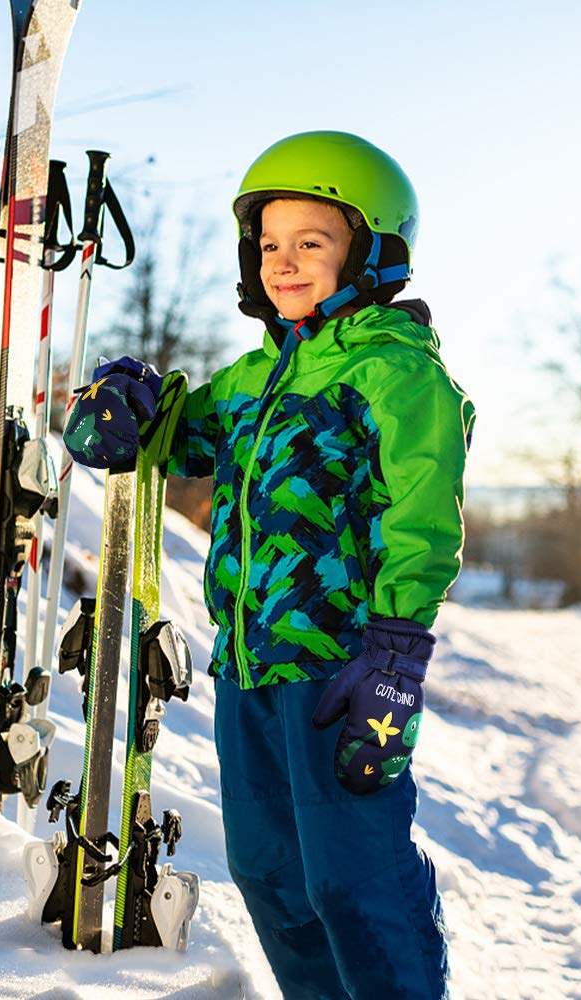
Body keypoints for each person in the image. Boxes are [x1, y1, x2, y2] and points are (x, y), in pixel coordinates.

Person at [64, 131, 475, 1000]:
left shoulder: (396, 374)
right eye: (269, 245)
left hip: (345, 671)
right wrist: (127, 408)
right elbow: (176, 438)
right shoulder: (254, 377)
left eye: (311, 243)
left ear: (371, 251)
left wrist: (396, 659)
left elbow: (423, 517)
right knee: (271, 878)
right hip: (249, 666)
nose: (284, 263)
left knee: (351, 879)